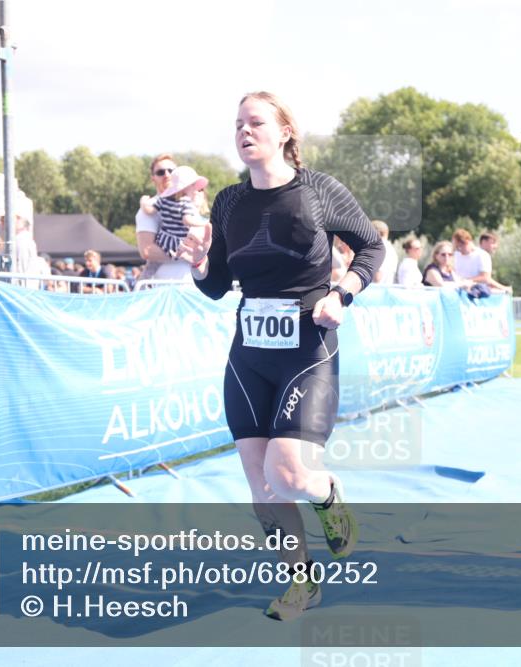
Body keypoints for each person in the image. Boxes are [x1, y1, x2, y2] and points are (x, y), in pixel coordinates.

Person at [179, 91, 384, 621]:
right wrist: (201, 266)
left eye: (256, 122)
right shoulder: (227, 202)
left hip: (307, 347)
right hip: (249, 353)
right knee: (260, 482)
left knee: (289, 474)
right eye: (238, 124)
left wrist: (343, 293)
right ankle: (301, 582)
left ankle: (328, 494)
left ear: (285, 132)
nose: (244, 131)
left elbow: (371, 248)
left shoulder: (319, 191)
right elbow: (219, 284)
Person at [135, 154, 192, 282]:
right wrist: (187, 254)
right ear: (153, 178)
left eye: (171, 171)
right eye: (160, 172)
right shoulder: (148, 209)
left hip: (192, 286)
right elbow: (147, 251)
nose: (167, 175)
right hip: (165, 288)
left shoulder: (188, 203)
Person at [452, 229, 511, 293]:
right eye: (457, 247)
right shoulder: (456, 255)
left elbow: (485, 278)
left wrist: (465, 281)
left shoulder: (482, 255)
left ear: (468, 241)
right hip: (458, 290)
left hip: (476, 292)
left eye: (460, 246)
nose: (459, 249)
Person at [371, 220, 398, 284]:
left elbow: (377, 277)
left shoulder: (378, 248)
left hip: (374, 290)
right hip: (384, 290)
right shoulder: (391, 249)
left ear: (377, 232)